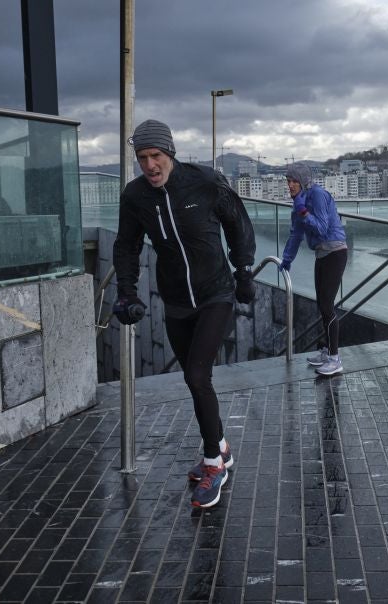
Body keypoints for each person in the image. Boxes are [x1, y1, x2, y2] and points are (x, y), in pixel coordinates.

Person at [112, 119, 256, 508]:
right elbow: (126, 246)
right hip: (176, 300)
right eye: (142, 158)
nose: (149, 165)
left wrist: (243, 271)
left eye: (155, 156)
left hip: (216, 294)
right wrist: (126, 292)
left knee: (197, 373)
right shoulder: (135, 196)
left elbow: (238, 224)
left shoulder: (205, 182)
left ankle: (214, 465)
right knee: (195, 381)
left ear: (169, 153)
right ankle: (220, 446)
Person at [280, 162, 348, 376]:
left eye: (293, 181)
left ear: (302, 181)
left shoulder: (317, 195)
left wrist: (303, 211)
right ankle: (327, 352)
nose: (290, 185)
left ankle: (335, 359)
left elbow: (321, 227)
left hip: (335, 252)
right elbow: (296, 234)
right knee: (322, 304)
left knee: (327, 306)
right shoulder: (298, 201)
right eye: (288, 181)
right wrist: (286, 260)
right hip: (322, 254)